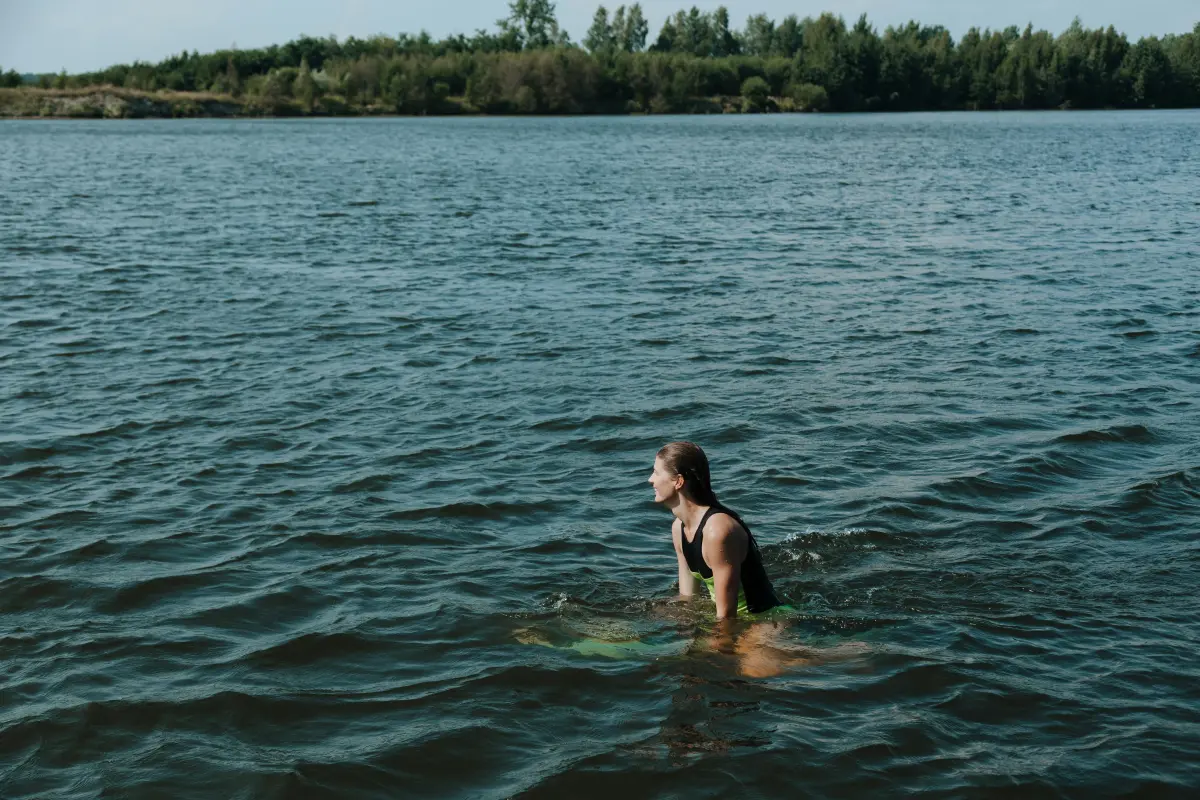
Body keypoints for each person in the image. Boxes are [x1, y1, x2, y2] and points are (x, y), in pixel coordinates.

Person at [649, 441, 786, 619]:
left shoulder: (718, 531)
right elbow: (688, 599)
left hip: (766, 621)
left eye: (656, 472)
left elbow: (726, 618)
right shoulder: (678, 528)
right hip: (735, 621)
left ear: (678, 481)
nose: (650, 479)